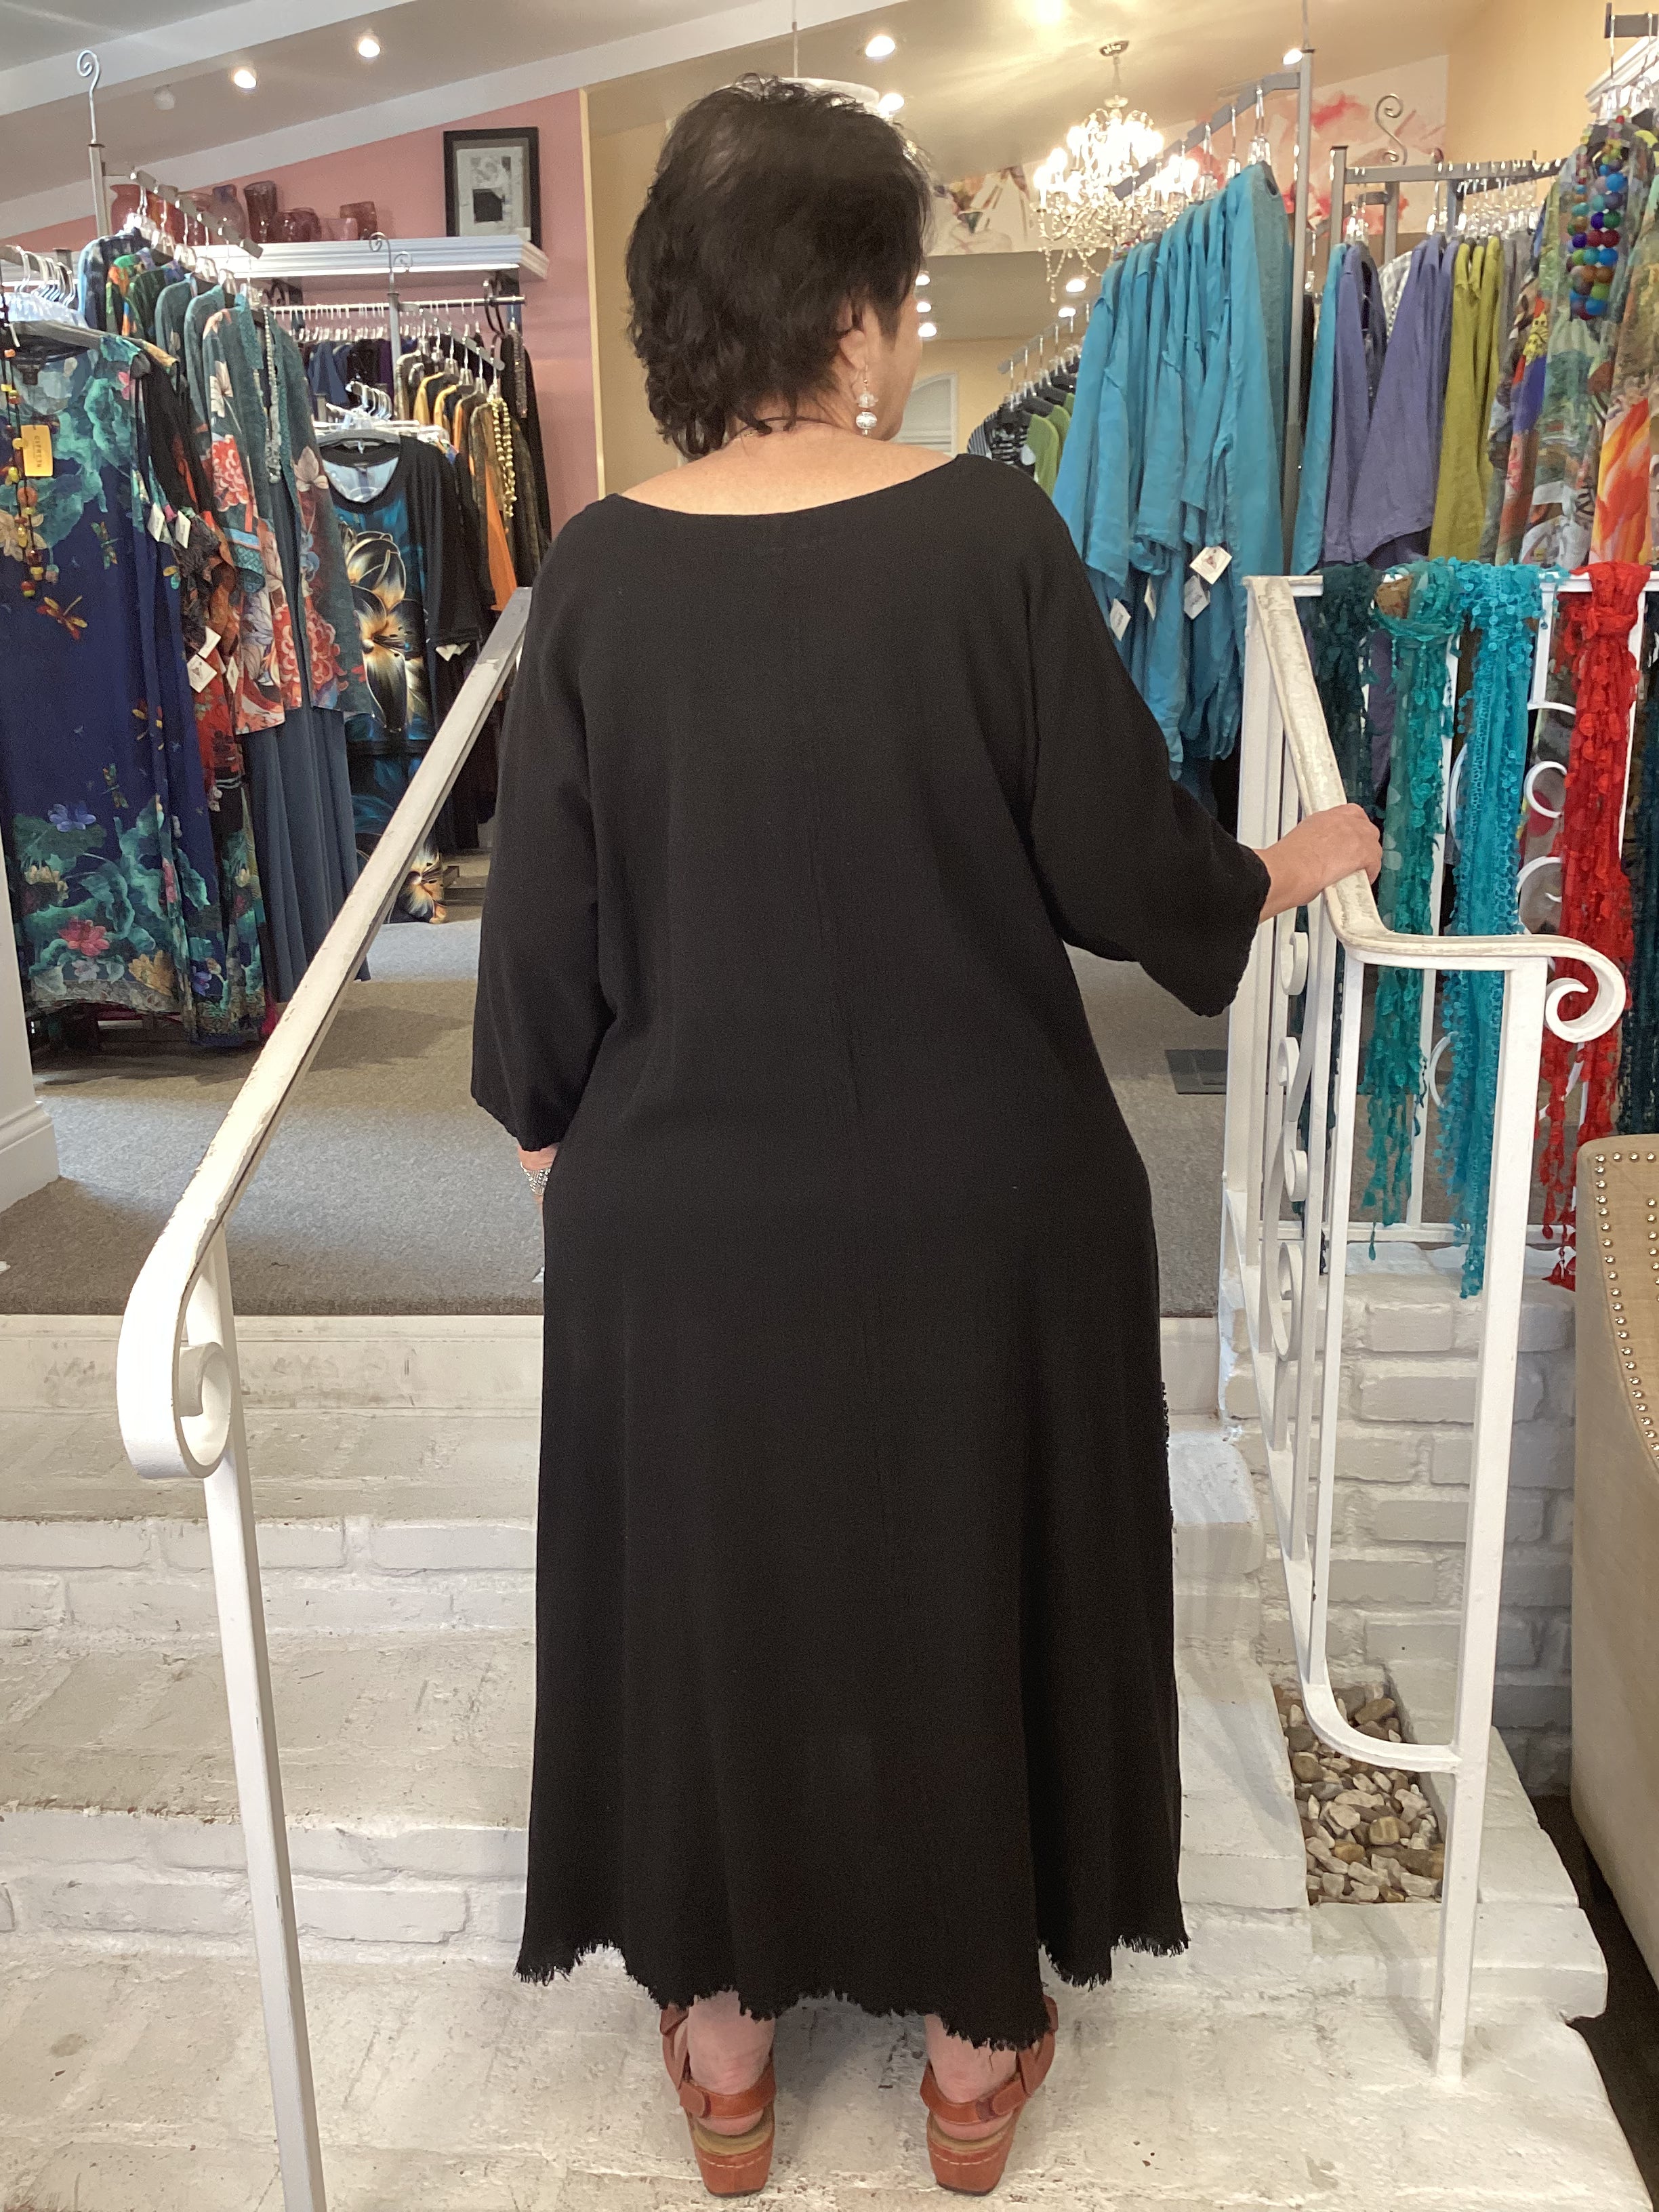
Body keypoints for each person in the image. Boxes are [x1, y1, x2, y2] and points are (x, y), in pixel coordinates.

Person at [472, 76, 1380, 2200]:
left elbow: (541, 949)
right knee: (975, 1575)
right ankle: (976, 2050)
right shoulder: (986, 536)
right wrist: (1281, 860)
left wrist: (551, 1137)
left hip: (692, 1208)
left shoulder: (594, 577)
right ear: (862, 312)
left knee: (721, 1593)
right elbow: (1121, 873)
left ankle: (721, 2044)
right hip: (984, 1195)